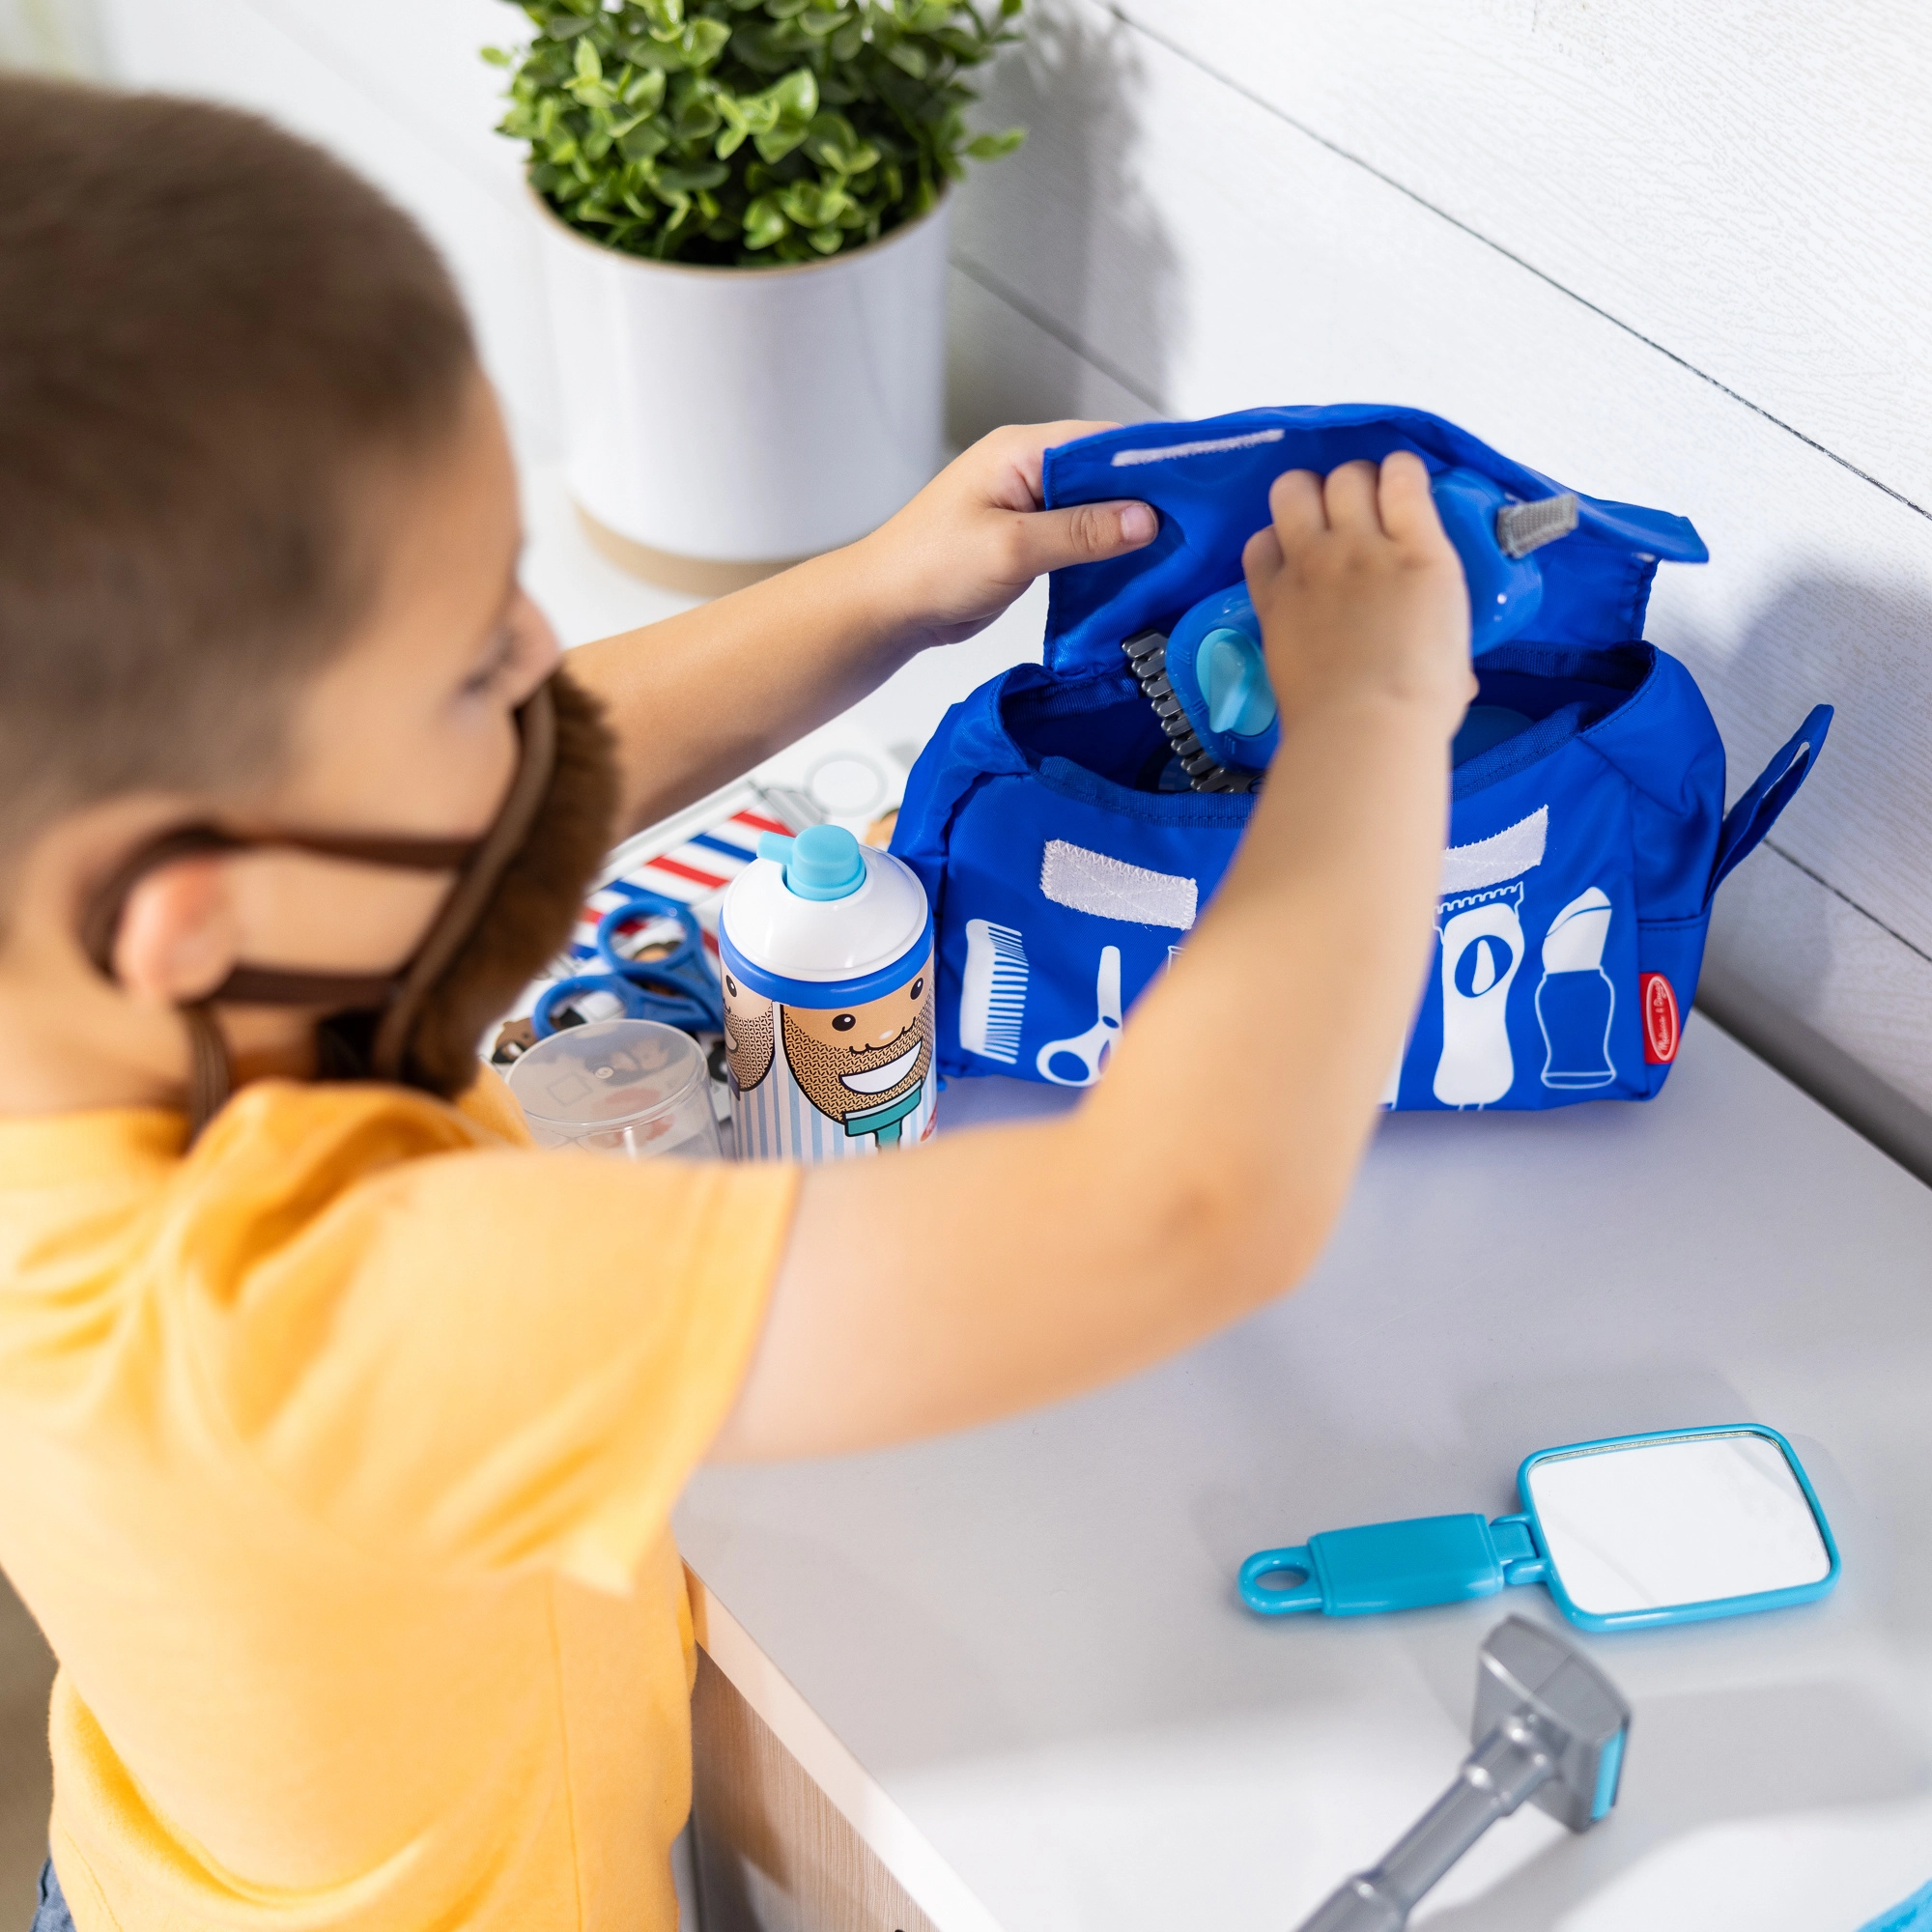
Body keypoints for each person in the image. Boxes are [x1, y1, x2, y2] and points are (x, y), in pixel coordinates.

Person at [0, 73, 1473, 1932]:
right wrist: (1375, 716)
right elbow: (1182, 1209)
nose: (544, 657)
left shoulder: (99, 1011)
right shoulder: (307, 1312)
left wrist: (878, 594)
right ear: (187, 917)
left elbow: (523, 783)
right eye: (474, 663)